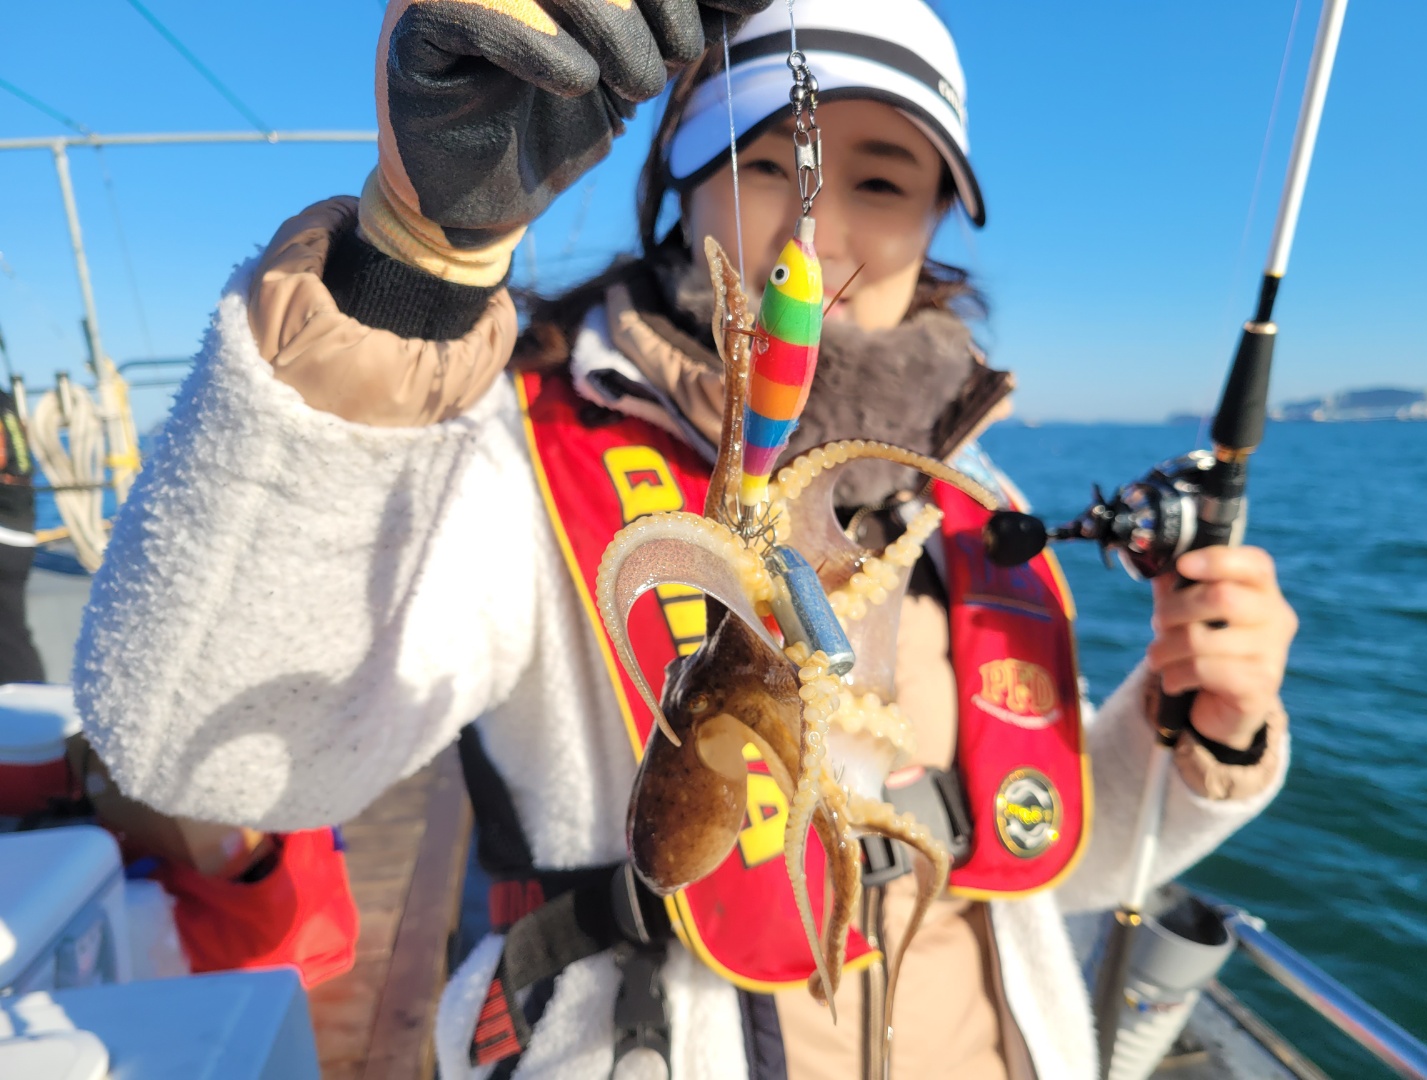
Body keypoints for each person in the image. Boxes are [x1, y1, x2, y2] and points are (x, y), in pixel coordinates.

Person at [73, 1, 1299, 1077]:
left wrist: (1200, 731)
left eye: (885, 183)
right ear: (680, 188)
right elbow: (202, 759)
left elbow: (1052, 854)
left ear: (939, 218)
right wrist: (409, 275)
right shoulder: (524, 452)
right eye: (765, 164)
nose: (819, 234)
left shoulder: (970, 498)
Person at [0, 384, 45, 685]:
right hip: (19, 524)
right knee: (10, 630)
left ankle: (24, 698)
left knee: (8, 634)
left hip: (5, 530)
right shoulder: (4, 401)